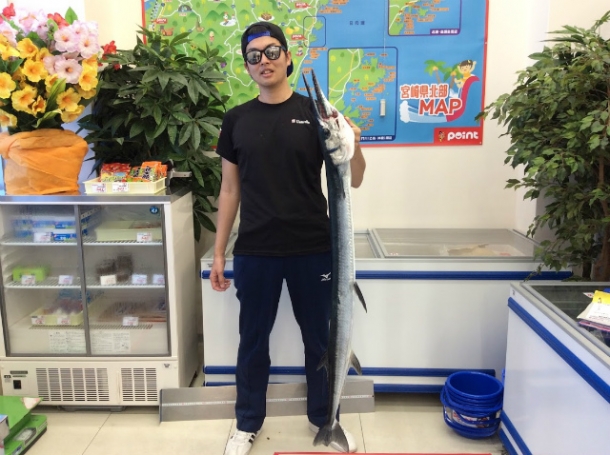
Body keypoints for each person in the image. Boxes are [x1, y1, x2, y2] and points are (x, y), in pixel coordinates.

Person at [210, 21, 366, 455]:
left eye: (272, 51)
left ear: (287, 56)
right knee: (252, 343)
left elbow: (353, 178)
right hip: (255, 249)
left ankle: (325, 419)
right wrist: (219, 253)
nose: (264, 61)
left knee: (320, 341)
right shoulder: (236, 119)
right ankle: (246, 424)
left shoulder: (317, 114)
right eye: (254, 56)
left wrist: (355, 142)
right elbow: (229, 190)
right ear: (247, 66)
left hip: (313, 248)